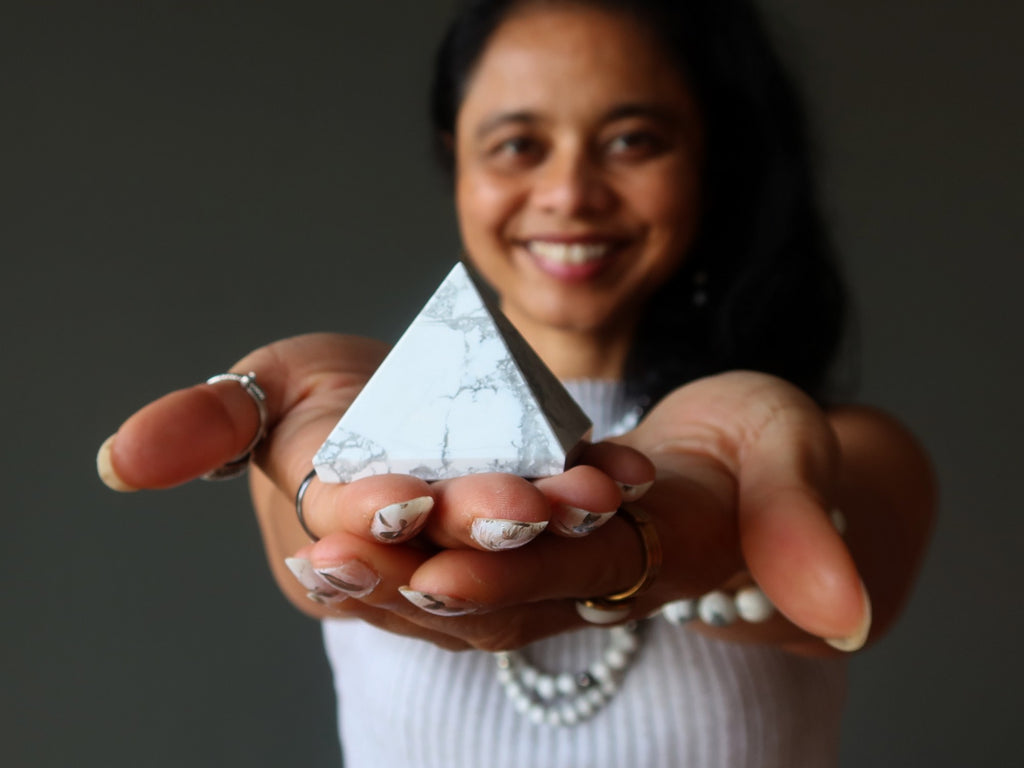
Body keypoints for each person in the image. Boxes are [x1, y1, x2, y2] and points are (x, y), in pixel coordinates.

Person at [96, 0, 935, 766]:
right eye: (518, 145)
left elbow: (839, 573)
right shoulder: (363, 424)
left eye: (632, 140)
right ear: (454, 159)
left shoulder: (841, 448)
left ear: (712, 165)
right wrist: (314, 441)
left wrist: (739, 524)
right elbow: (316, 534)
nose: (569, 193)